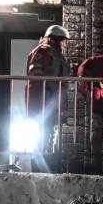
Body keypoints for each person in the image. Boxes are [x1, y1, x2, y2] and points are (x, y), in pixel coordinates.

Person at [25, 25, 72, 169]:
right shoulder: (43, 50)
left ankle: (45, 168)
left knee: (48, 135)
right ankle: (38, 170)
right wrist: (49, 91)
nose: (64, 44)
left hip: (52, 101)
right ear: (55, 39)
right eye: (63, 41)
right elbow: (35, 75)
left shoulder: (55, 54)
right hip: (43, 100)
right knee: (42, 136)